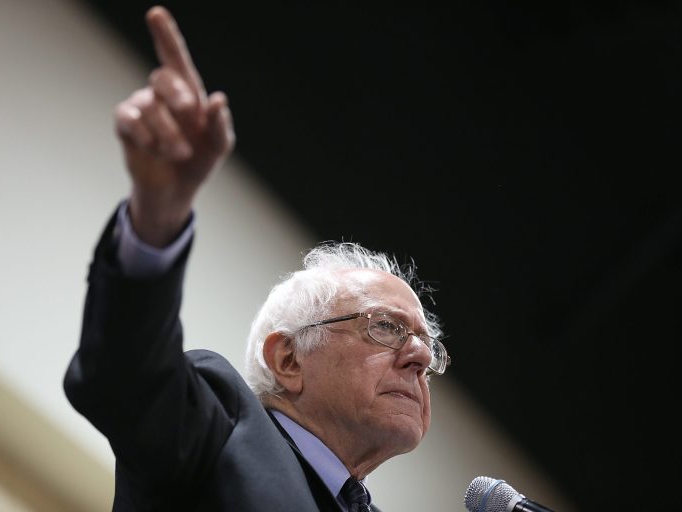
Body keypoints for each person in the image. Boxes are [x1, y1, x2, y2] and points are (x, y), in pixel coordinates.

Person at [63, 6, 450, 511]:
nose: (419, 357)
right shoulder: (219, 425)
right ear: (287, 360)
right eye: (385, 328)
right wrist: (158, 218)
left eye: (426, 343)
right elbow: (123, 376)